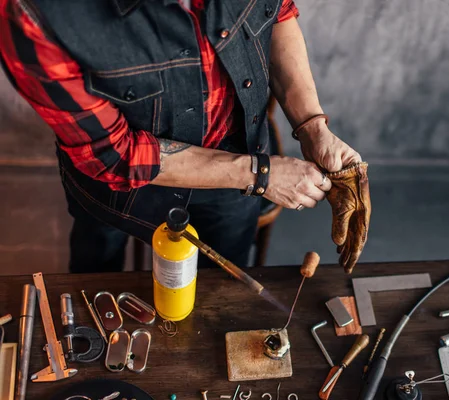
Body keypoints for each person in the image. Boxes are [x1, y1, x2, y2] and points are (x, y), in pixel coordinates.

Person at [0, 0, 366, 272]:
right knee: (96, 270)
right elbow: (113, 154)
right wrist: (260, 175)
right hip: (117, 193)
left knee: (223, 286)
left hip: (238, 167)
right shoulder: (32, 15)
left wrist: (313, 127)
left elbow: (276, 14)